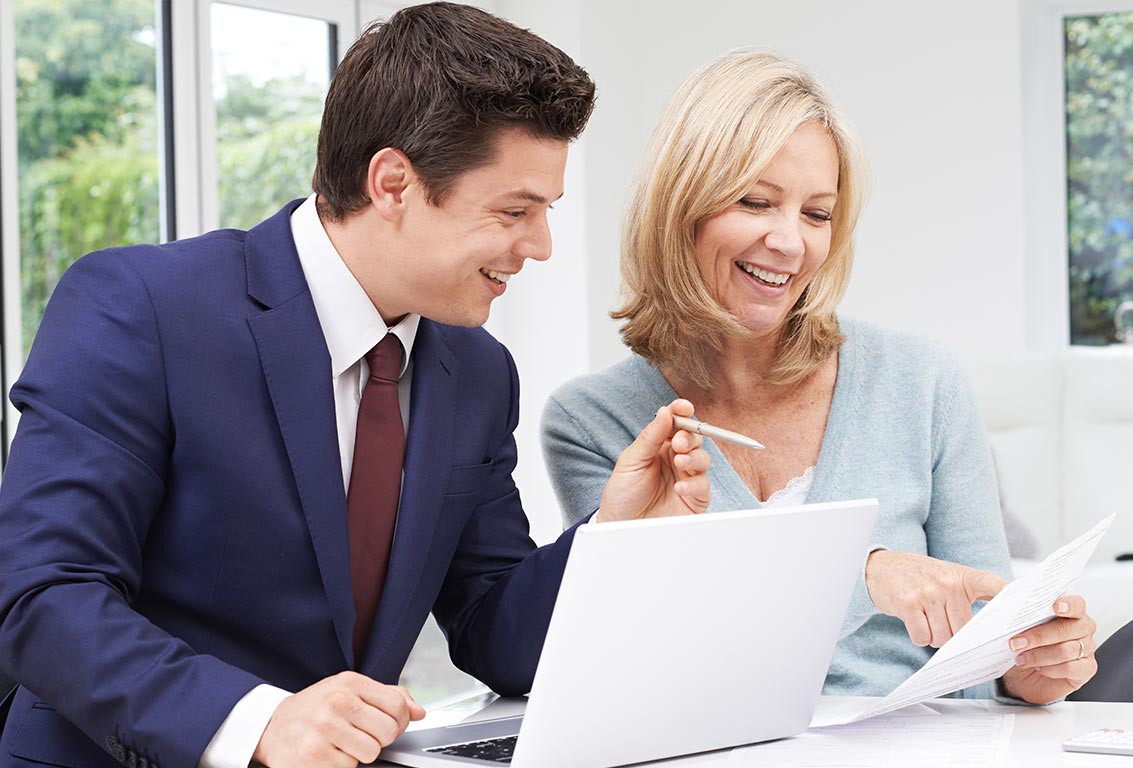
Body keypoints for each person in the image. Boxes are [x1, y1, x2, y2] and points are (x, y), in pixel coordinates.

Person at [0, 5, 712, 768]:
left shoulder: (475, 371)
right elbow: (43, 596)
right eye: (515, 211)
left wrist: (614, 538)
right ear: (393, 182)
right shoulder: (142, 306)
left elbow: (492, 633)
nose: (537, 246)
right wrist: (257, 723)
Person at [541, 49, 1098, 705]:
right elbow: (664, 646)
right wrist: (865, 573)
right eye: (755, 201)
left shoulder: (921, 380)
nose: (789, 242)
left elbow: (986, 634)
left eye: (816, 214)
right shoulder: (591, 422)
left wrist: (1031, 670)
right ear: (679, 206)